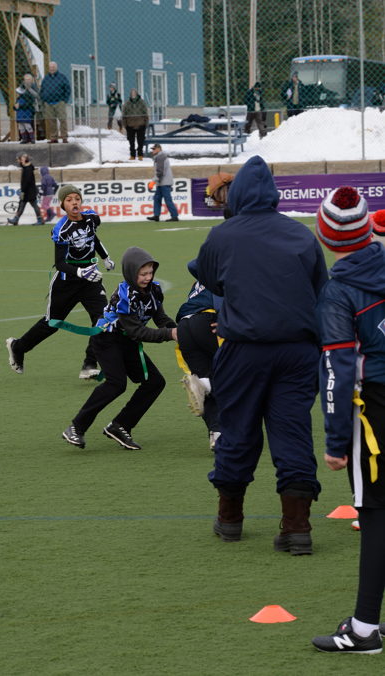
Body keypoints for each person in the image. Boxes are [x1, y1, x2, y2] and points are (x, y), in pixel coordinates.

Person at [195, 155, 328, 551]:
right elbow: (320, 289)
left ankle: (230, 518)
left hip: (244, 349)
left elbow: (208, 277)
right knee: (293, 432)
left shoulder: (222, 235)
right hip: (297, 350)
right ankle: (297, 526)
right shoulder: (301, 234)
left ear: (236, 196)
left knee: (238, 429)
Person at [311, 187, 385, 654]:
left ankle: (363, 630)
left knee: (376, 514)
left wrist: (336, 443)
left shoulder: (338, 291)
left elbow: (337, 369)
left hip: (374, 411)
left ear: (325, 237)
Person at [62, 246, 178, 451]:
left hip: (127, 341)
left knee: (155, 382)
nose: (148, 278)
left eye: (150, 273)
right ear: (131, 272)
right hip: (107, 340)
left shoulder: (154, 290)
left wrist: (179, 330)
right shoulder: (124, 295)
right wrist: (170, 334)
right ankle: (76, 427)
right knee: (116, 384)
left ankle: (120, 426)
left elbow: (160, 317)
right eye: (143, 274)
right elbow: (137, 332)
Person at [6, 184, 115, 379]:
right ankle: (18, 347)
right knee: (52, 323)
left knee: (103, 319)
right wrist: (81, 272)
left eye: (77, 198)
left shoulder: (91, 217)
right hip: (67, 282)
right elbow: (60, 263)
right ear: (63, 205)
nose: (74, 202)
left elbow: (93, 238)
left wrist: (105, 257)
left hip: (90, 280)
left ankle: (89, 364)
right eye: (69, 200)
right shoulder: (61, 229)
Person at [176, 259, 222, 450]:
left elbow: (192, 264)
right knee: (239, 372)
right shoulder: (233, 270)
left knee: (205, 374)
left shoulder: (206, 273)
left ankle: (217, 434)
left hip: (184, 327)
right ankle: (205, 384)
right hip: (208, 322)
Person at [7, 153, 43, 225]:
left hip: (29, 191)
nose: (19, 161)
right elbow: (22, 165)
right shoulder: (26, 167)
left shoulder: (28, 169)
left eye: (20, 159)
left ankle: (40, 220)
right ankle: (16, 219)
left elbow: (27, 181)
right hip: (27, 191)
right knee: (22, 204)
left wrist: (23, 191)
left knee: (33, 205)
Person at [146, 143, 179, 222]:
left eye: (154, 149)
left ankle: (174, 216)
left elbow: (160, 172)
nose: (152, 150)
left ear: (158, 149)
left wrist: (153, 181)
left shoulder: (160, 157)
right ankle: (156, 215)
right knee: (157, 198)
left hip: (164, 182)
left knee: (167, 200)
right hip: (161, 182)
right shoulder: (160, 156)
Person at [40, 61, 71, 143]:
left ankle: (64, 137)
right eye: (50, 67)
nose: (52, 69)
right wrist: (44, 99)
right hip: (49, 103)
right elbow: (42, 89)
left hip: (59, 102)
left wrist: (64, 100)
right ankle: (54, 138)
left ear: (56, 68)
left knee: (62, 120)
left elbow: (67, 89)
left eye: (53, 67)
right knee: (52, 121)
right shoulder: (46, 78)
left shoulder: (62, 77)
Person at [122, 88, 149, 160]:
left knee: (140, 141)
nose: (133, 94)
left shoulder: (142, 102)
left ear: (137, 94)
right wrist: (125, 124)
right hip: (130, 125)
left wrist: (145, 123)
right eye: (132, 93)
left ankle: (140, 154)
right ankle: (132, 155)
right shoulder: (127, 103)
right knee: (131, 141)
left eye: (134, 93)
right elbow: (124, 114)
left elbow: (145, 113)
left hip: (141, 124)